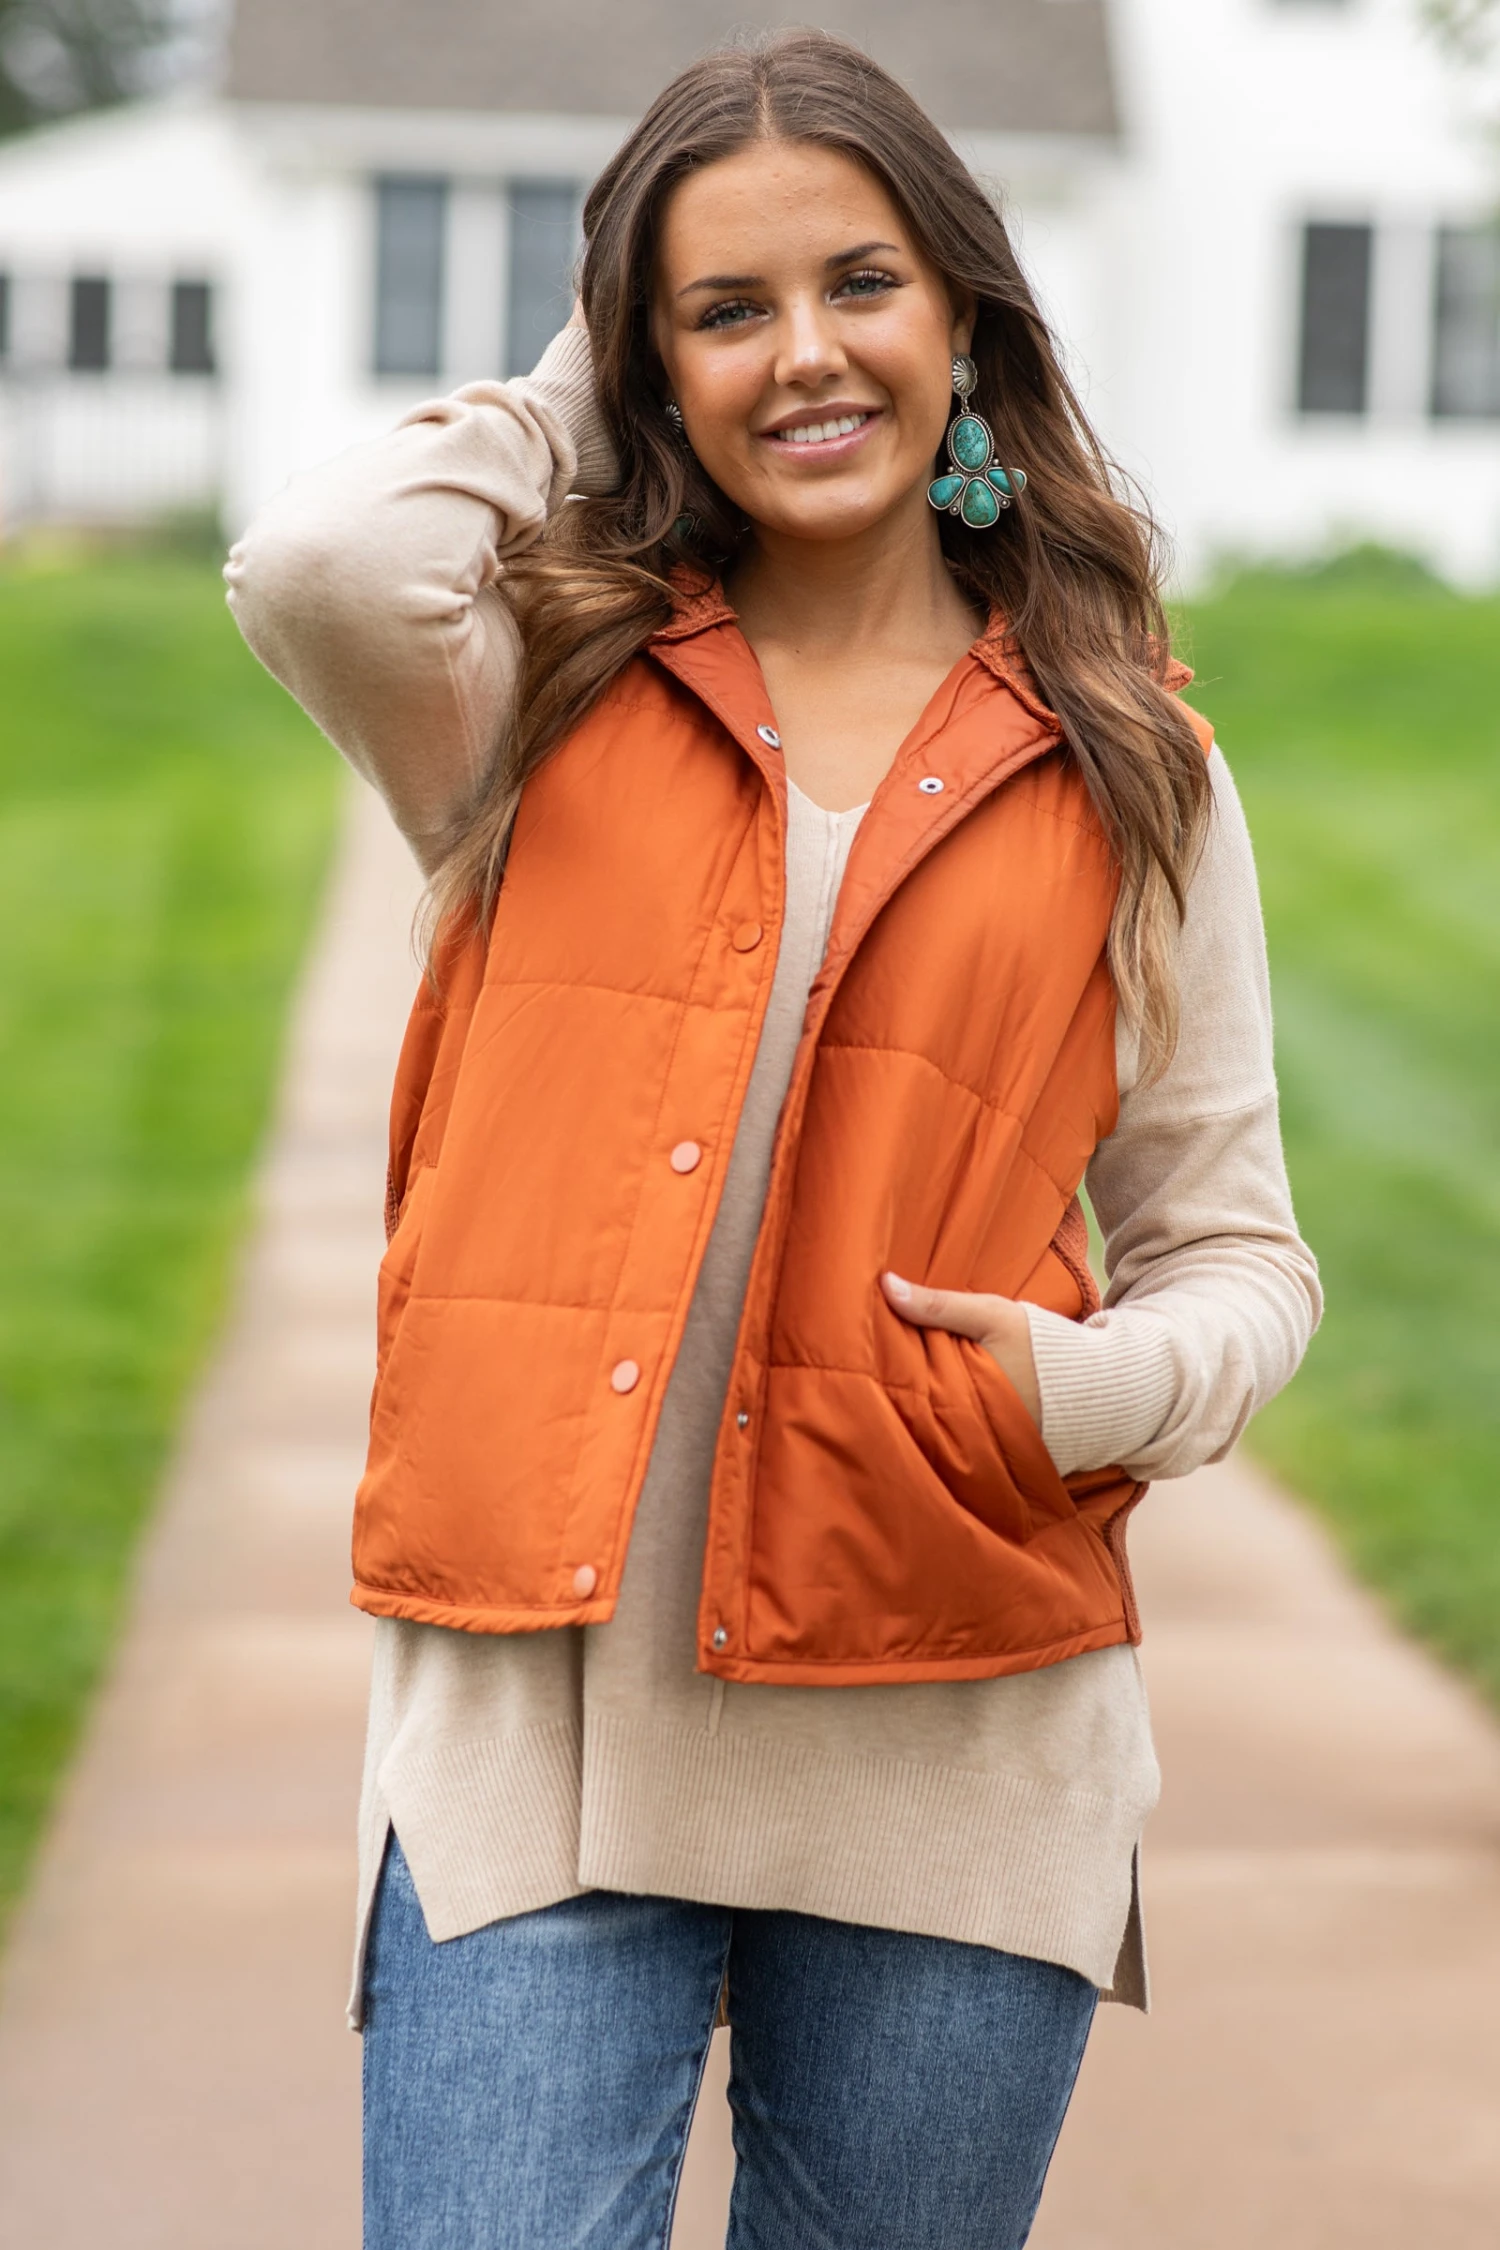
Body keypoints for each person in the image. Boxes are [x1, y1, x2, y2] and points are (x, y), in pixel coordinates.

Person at [227, 30, 1320, 2250]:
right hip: (535, 1753)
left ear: (968, 324)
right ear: (647, 366)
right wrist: (587, 358)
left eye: (862, 284)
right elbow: (320, 559)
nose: (806, 355)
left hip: (958, 1738)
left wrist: (1088, 1387)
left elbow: (1240, 1252)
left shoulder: (1137, 775)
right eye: (724, 312)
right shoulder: (527, 691)